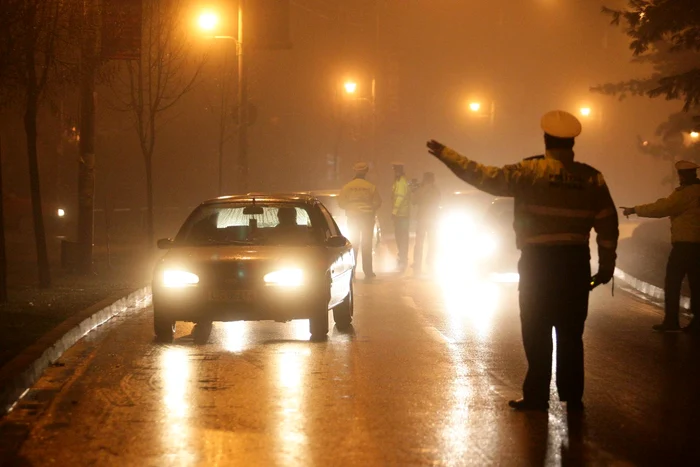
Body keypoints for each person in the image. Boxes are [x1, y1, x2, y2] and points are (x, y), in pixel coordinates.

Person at [427, 110, 619, 412]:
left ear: (545, 140)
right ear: (572, 143)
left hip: (538, 264)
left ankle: (537, 396)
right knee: (570, 332)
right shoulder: (592, 177)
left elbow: (482, 175)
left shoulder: (529, 172)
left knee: (536, 329)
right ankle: (572, 397)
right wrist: (606, 265)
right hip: (574, 264)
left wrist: (446, 154)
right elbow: (608, 224)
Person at [621, 160, 700, 334]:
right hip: (697, 246)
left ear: (683, 175)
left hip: (684, 246)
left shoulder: (685, 194)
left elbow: (662, 208)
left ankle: (671, 320)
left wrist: (634, 209)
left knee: (672, 282)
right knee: (696, 284)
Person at [339, 162, 382, 279]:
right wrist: (370, 208)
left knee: (354, 244)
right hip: (367, 218)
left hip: (353, 218)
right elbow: (378, 202)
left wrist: (351, 207)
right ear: (366, 171)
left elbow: (341, 203)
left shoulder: (347, 187)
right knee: (367, 244)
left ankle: (352, 270)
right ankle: (368, 271)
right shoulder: (370, 186)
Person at [412, 172, 441, 274]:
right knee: (432, 241)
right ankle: (430, 260)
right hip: (432, 218)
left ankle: (417, 262)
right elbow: (438, 202)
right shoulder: (435, 190)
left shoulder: (421, 190)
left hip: (422, 218)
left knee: (419, 242)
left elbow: (414, 201)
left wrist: (416, 190)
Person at [391, 162, 411, 271]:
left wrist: (394, 212)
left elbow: (400, 197)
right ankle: (402, 257)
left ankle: (403, 258)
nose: (394, 172)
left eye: (395, 170)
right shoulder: (400, 181)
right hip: (402, 214)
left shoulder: (401, 182)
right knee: (401, 237)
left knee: (401, 237)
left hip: (401, 215)